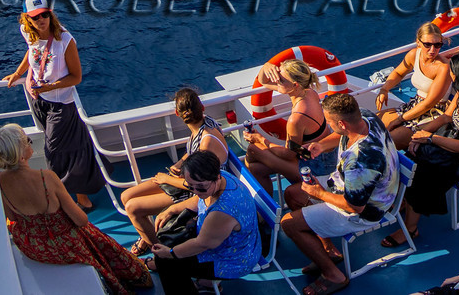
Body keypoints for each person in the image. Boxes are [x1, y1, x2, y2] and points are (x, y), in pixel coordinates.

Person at [0, 123, 151, 295]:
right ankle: (135, 278)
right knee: (100, 241)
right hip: (65, 245)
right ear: (20, 154)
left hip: (33, 246)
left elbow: (12, 217)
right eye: (27, 141)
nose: (30, 143)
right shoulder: (46, 178)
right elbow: (80, 220)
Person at [280, 92, 402, 295]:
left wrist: (319, 193)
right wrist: (322, 145)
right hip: (349, 186)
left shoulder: (360, 162)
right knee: (293, 194)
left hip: (366, 210)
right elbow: (341, 134)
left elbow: (354, 206)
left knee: (288, 223)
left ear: (342, 123)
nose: (328, 125)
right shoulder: (365, 116)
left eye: (329, 122)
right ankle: (328, 249)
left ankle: (334, 276)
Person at [387, 53, 459, 241]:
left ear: (457, 76)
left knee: (421, 174)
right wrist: (418, 133)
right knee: (411, 157)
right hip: (458, 145)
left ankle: (410, 228)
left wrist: (431, 139)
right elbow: (445, 117)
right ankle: (409, 202)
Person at [1, 0, 103, 208]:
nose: (41, 20)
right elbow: (31, 53)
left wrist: (50, 87)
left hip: (60, 105)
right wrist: (18, 73)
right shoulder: (28, 32)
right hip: (40, 101)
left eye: (45, 15)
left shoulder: (64, 40)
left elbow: (76, 77)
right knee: (66, 149)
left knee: (53, 152)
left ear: (51, 14)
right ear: (27, 19)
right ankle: (79, 197)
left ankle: (65, 199)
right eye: (35, 17)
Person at [120, 87, 233, 254]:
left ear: (177, 114)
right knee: (126, 196)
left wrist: (166, 179)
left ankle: (161, 251)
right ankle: (147, 236)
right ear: (201, 108)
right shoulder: (205, 123)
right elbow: (194, 153)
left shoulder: (206, 142)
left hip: (202, 192)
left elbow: (198, 185)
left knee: (132, 208)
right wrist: (180, 163)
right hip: (191, 177)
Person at [149, 150, 263, 294]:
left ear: (216, 177)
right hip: (232, 242)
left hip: (234, 259)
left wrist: (170, 253)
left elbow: (202, 244)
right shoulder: (222, 178)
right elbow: (199, 199)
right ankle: (206, 283)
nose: (195, 191)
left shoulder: (223, 211)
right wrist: (171, 209)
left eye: (200, 187)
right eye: (190, 186)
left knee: (166, 262)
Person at [245, 59, 332, 187]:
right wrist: (266, 66)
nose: (276, 80)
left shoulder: (296, 118)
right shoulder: (309, 93)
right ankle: (269, 205)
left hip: (317, 167)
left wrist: (260, 138)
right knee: (256, 169)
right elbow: (263, 81)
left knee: (253, 149)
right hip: (324, 156)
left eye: (280, 80)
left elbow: (288, 154)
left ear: (295, 85)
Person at [377, 21, 454, 148]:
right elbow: (399, 72)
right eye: (427, 44)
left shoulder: (443, 68)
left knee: (386, 142)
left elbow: (429, 103)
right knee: (370, 124)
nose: (432, 50)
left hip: (432, 114)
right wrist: (384, 89)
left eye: (437, 45)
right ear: (418, 42)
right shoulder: (414, 54)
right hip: (413, 105)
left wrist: (400, 119)